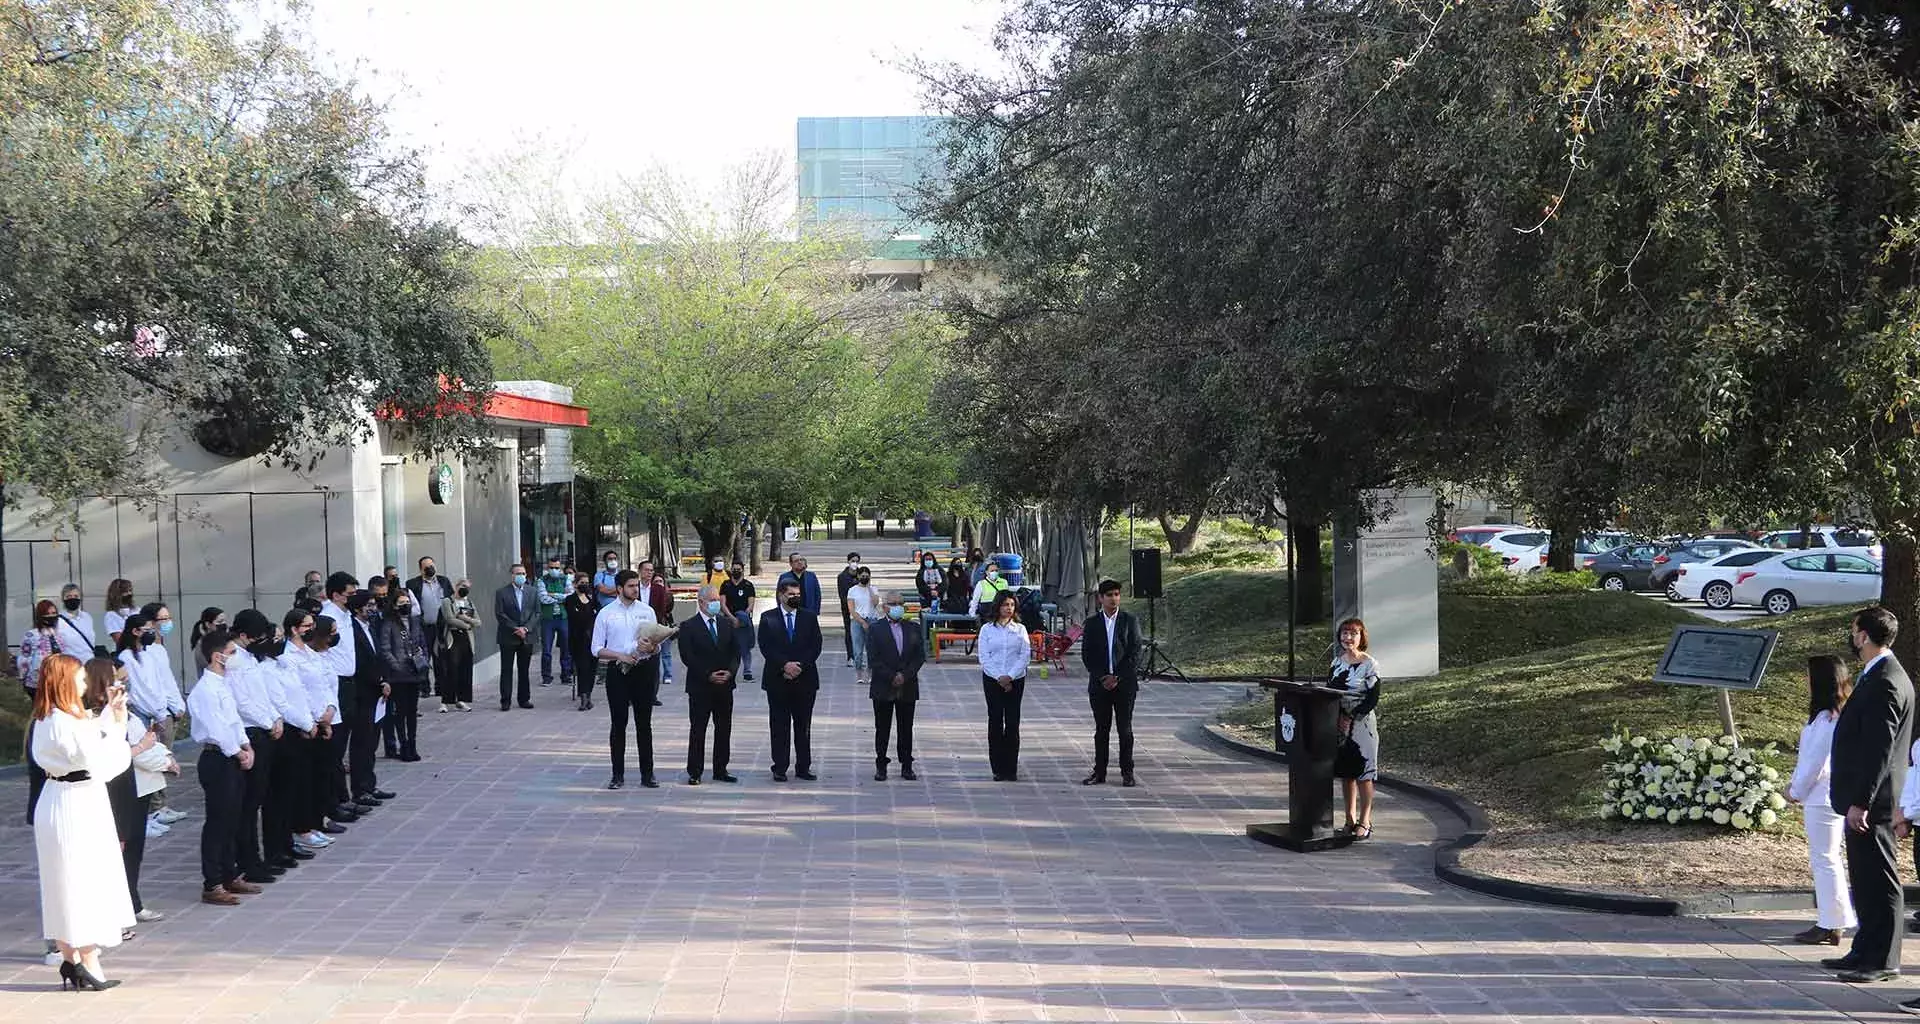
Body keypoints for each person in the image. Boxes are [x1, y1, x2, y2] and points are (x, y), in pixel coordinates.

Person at [31, 653, 136, 990]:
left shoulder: (52, 718)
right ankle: (88, 960)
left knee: (63, 882)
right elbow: (99, 760)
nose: (83, 681)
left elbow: (91, 736)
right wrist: (120, 732)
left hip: (63, 798)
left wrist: (112, 716)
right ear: (64, 681)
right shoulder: (63, 721)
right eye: (77, 676)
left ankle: (71, 958)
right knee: (82, 880)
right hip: (76, 801)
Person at [1826, 606, 1915, 985]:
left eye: (1853, 630)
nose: (1852, 636)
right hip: (1862, 797)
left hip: (1874, 800)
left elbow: (1881, 747)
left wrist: (1861, 799)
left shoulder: (1887, 680)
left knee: (1880, 878)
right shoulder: (1875, 674)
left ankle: (1884, 958)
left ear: (1863, 635)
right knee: (1864, 878)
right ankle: (1864, 949)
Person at [188, 629, 260, 907]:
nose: (235, 658)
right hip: (217, 757)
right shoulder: (205, 690)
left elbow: (234, 721)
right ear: (217, 657)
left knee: (234, 818)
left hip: (233, 754)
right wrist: (237, 751)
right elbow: (217, 729)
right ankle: (213, 882)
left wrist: (246, 745)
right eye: (231, 653)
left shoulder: (223, 684)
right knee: (218, 821)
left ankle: (231, 873)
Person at [83, 657, 154, 938]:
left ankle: (126, 906)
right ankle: (109, 916)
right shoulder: (91, 715)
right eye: (114, 678)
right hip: (109, 785)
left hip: (125, 783)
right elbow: (109, 751)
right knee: (113, 850)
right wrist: (139, 747)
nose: (120, 683)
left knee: (130, 845)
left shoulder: (116, 710)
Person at [1791, 655, 1857, 946]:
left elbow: (1813, 763)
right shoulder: (1837, 714)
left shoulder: (1825, 719)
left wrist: (1793, 791)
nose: (1804, 681)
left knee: (1825, 859)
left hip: (1821, 797)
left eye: (1808, 676)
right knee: (1829, 859)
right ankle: (1835, 919)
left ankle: (1831, 922)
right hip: (1829, 795)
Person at [225, 610, 285, 888]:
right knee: (247, 806)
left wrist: (275, 717)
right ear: (245, 635)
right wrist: (267, 721)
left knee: (257, 800)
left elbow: (261, 695)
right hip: (250, 732)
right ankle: (248, 861)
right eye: (259, 637)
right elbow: (242, 703)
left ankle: (255, 858)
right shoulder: (235, 661)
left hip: (264, 729)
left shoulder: (249, 657)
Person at [592, 569, 662, 789]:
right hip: (618, 671)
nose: (635, 589)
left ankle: (647, 774)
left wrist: (651, 646)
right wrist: (619, 655)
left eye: (636, 585)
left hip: (644, 669)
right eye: (631, 586)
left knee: (644, 724)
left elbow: (656, 644)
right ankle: (617, 775)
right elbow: (596, 648)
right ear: (620, 588)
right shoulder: (606, 613)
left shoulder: (647, 611)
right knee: (618, 723)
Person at [282, 609, 345, 852]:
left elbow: (326, 685)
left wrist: (329, 711)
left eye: (312, 625)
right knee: (303, 780)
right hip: (305, 725)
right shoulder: (287, 657)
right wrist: (314, 720)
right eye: (306, 626)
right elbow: (298, 692)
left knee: (320, 776)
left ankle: (315, 822)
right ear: (294, 629)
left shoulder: (312, 654)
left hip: (324, 721)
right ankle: (302, 828)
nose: (310, 629)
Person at [117, 614, 185, 830]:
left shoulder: (148, 653)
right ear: (135, 632)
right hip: (144, 712)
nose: (151, 633)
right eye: (146, 629)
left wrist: (164, 709)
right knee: (146, 760)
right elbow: (140, 689)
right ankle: (152, 809)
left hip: (157, 711)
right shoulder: (128, 656)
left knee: (160, 757)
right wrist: (155, 711)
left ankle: (160, 805)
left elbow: (158, 683)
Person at [758, 579, 822, 782]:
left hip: (805, 680)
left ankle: (803, 767)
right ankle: (780, 766)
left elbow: (815, 646)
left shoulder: (809, 618)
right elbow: (766, 647)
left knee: (803, 726)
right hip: (778, 680)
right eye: (791, 594)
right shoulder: (768, 618)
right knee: (779, 726)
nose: (795, 598)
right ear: (780, 595)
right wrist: (785, 665)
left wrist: (799, 666)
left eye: (798, 594)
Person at [1081, 579, 1143, 787]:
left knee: (1125, 729)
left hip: (1124, 684)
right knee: (1102, 730)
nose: (1114, 599)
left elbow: (1135, 651)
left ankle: (1127, 772)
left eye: (1117, 594)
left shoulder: (1129, 620)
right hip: (1100, 685)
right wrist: (1103, 677)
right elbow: (1087, 655)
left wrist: (1117, 676)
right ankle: (1100, 771)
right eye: (1109, 595)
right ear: (1100, 598)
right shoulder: (1091, 623)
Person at [678, 585, 740, 785]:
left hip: (724, 685)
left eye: (717, 600)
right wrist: (708, 675)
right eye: (712, 600)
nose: (716, 604)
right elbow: (688, 657)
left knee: (724, 728)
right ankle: (695, 771)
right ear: (701, 602)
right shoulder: (688, 626)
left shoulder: (726, 624)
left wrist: (730, 672)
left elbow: (735, 652)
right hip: (700, 686)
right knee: (698, 729)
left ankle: (721, 768)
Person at [1329, 617, 1382, 839]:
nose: (1348, 637)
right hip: (1339, 725)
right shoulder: (1336, 663)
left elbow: (1372, 699)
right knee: (1346, 774)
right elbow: (1328, 692)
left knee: (1363, 774)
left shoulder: (1370, 664)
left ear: (1361, 637)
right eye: (1344, 633)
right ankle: (1349, 819)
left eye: (1353, 633)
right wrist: (1337, 717)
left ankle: (1365, 821)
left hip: (1361, 725)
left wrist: (1351, 716)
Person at [343, 592, 395, 810]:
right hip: (363, 692)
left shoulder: (371, 627)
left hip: (377, 693)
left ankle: (370, 784)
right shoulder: (352, 630)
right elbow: (361, 664)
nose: (373, 609)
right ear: (358, 609)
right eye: (369, 605)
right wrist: (378, 682)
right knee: (361, 743)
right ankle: (360, 789)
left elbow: (378, 657)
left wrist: (385, 679)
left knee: (373, 741)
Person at [865, 590, 923, 782]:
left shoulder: (913, 628)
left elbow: (919, 656)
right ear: (884, 607)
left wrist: (905, 675)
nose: (897, 607)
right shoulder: (875, 629)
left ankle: (907, 765)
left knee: (906, 728)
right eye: (893, 603)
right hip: (884, 685)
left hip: (907, 685)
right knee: (882, 728)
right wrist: (891, 676)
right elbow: (874, 659)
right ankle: (881, 765)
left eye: (900, 603)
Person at [977, 592, 1031, 782]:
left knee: (1012, 722)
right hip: (993, 679)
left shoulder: (1020, 629)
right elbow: (984, 657)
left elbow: (1024, 655)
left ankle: (1011, 767)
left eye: (1011, 605)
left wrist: (1011, 676)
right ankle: (998, 768)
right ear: (997, 606)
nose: (1008, 608)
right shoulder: (987, 630)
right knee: (995, 721)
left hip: (1015, 679)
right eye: (1005, 605)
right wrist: (1000, 677)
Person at [378, 587, 429, 761]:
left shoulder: (415, 621)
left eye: (407, 602)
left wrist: (423, 661)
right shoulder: (389, 623)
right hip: (398, 674)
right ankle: (403, 744)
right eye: (401, 603)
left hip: (415, 672)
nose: (405, 605)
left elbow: (423, 642)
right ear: (394, 605)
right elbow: (385, 649)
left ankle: (413, 744)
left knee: (412, 710)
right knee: (400, 711)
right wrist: (396, 666)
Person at [406, 556, 453, 698]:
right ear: (421, 569)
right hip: (424, 626)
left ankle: (441, 687)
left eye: (432, 565)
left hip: (441, 626)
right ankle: (424, 687)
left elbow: (450, 599)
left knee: (441, 658)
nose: (430, 569)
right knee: (424, 657)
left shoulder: (443, 581)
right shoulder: (413, 584)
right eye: (426, 567)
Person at [494, 563, 538, 710]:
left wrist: (526, 628)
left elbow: (537, 613)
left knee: (524, 669)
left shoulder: (532, 591)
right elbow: (500, 614)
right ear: (512, 575)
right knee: (506, 669)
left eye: (523, 573)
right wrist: (515, 628)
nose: (521, 576)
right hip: (508, 636)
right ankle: (505, 700)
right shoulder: (502, 592)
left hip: (527, 636)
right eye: (518, 573)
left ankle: (524, 699)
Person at [17, 599, 74, 697]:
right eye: (47, 613)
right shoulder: (32, 635)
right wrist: (23, 676)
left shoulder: (58, 635)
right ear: (40, 616)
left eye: (54, 613)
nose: (51, 616)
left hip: (58, 680)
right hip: (37, 682)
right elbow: (24, 658)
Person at [438, 579, 479, 712]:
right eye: (463, 586)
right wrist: (467, 624)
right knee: (451, 669)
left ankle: (461, 699)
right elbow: (449, 619)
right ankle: (446, 701)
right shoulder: (447, 601)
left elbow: (478, 622)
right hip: (452, 638)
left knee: (465, 670)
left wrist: (464, 618)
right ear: (456, 586)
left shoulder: (469, 603)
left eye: (467, 587)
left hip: (466, 639)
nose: (465, 589)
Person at [640, 559, 677, 699]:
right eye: (646, 570)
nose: (649, 573)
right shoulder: (634, 586)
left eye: (651, 570)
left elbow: (662, 610)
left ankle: (652, 695)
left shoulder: (658, 590)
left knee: (654, 661)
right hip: (636, 627)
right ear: (640, 571)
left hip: (653, 627)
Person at [566, 573, 602, 711]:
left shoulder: (592, 599)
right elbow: (575, 617)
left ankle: (589, 695)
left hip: (593, 639)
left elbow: (598, 614)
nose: (585, 585)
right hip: (578, 640)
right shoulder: (570, 600)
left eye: (587, 582)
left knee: (592, 668)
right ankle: (584, 697)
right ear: (575, 584)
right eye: (582, 582)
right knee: (582, 668)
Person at [537, 556, 573, 690]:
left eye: (557, 568)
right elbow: (543, 598)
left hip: (563, 618)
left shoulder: (565, 579)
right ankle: (546, 676)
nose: (554, 570)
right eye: (551, 567)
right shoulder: (541, 580)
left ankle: (566, 675)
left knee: (566, 648)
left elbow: (571, 596)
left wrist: (553, 594)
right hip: (548, 619)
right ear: (547, 568)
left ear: (561, 568)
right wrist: (561, 597)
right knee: (546, 649)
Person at [720, 560, 757, 684]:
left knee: (745, 648)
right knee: (729, 647)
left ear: (742, 570)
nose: (736, 571)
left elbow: (751, 604)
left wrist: (742, 619)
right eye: (734, 569)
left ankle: (747, 672)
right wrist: (732, 618)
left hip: (743, 620)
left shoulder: (748, 585)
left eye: (738, 569)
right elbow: (722, 604)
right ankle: (729, 671)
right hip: (729, 619)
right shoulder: (725, 585)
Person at [845, 566, 878, 684]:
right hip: (857, 621)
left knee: (871, 649)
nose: (864, 577)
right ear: (858, 576)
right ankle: (859, 673)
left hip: (872, 619)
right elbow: (852, 610)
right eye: (862, 575)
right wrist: (862, 621)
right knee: (857, 650)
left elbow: (875, 603)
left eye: (866, 575)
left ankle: (870, 673)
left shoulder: (874, 589)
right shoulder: (852, 590)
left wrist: (869, 588)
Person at [835, 552, 863, 666]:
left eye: (857, 561)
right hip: (848, 609)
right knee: (850, 632)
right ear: (848, 561)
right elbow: (842, 595)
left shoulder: (862, 574)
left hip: (861, 608)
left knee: (861, 633)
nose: (855, 563)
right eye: (853, 561)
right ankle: (850, 656)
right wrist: (850, 608)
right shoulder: (842, 576)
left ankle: (859, 656)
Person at [55, 584, 98, 656]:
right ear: (63, 599)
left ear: (81, 598)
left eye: (76, 596)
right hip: (70, 664)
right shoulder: (57, 621)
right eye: (69, 596)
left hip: (89, 662)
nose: (72, 599)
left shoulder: (87, 617)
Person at [189, 607, 226, 677]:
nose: (223, 624)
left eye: (224, 621)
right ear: (208, 624)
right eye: (220, 622)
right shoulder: (202, 644)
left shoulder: (221, 639)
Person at [102, 580, 136, 646]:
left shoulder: (137, 610)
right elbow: (119, 640)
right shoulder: (111, 615)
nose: (129, 594)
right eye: (125, 592)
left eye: (130, 590)